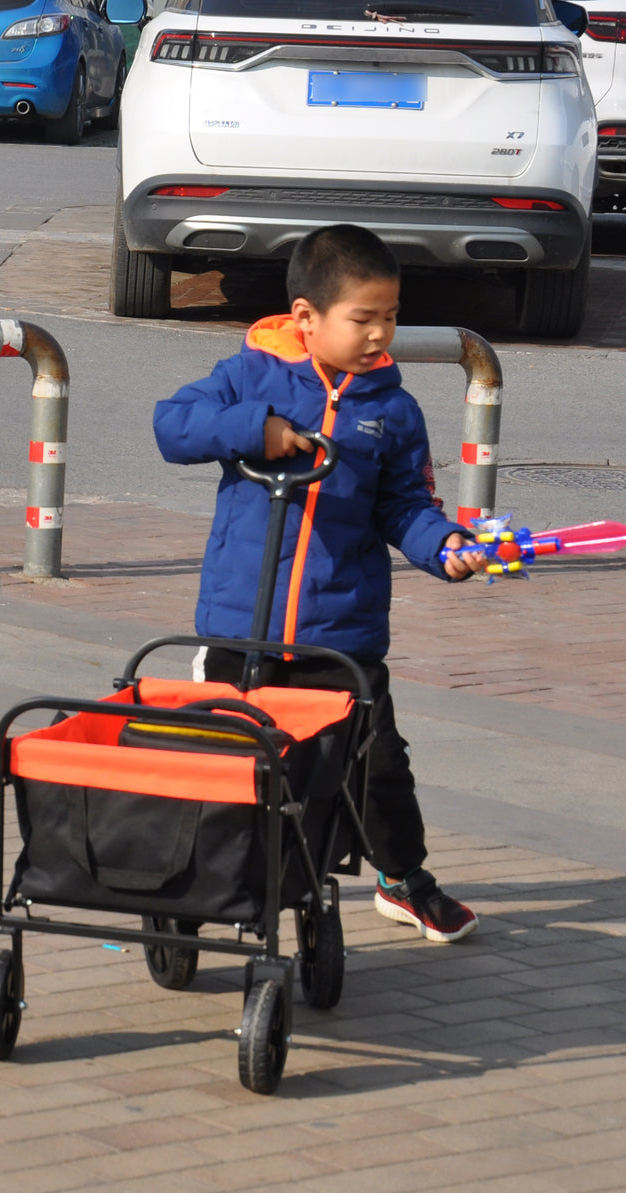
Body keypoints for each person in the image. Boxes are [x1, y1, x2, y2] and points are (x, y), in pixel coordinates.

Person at [153, 223, 484, 943]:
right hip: (242, 632)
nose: (379, 334)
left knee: (377, 769)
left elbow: (407, 506)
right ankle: (186, 883)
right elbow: (173, 426)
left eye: (390, 317)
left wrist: (447, 546)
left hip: (341, 636)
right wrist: (255, 429)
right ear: (306, 317)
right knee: (223, 768)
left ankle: (404, 881)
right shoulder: (249, 375)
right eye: (362, 318)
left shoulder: (392, 410)